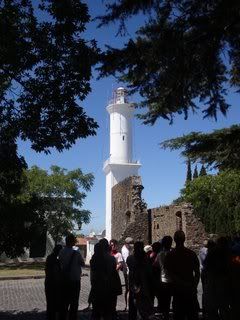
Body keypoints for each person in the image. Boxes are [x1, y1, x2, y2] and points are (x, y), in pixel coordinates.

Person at [165, 230, 200, 320]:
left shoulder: (170, 255)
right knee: (192, 316)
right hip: (190, 291)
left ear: (174, 240)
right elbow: (197, 273)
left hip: (178, 291)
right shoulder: (191, 254)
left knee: (178, 316)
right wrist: (194, 286)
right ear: (184, 239)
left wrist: (178, 282)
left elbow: (168, 273)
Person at [90, 239, 122, 320]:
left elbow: (93, 275)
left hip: (98, 288)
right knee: (109, 312)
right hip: (109, 288)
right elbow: (113, 274)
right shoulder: (111, 259)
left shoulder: (94, 259)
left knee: (96, 312)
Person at [202, 237, 233, 320]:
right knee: (224, 305)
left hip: (214, 279)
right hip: (224, 279)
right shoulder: (229, 252)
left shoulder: (213, 251)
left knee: (213, 304)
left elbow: (206, 265)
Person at [59, 234, 85, 320]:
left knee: (64, 302)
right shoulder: (76, 253)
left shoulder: (61, 252)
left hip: (64, 279)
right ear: (71, 242)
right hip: (75, 280)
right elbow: (82, 264)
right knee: (74, 302)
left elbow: (60, 263)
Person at [127, 241, 154, 320]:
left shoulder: (130, 258)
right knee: (142, 310)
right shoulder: (146, 259)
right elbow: (149, 273)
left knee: (133, 308)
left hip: (134, 285)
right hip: (143, 286)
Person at [156, 236, 173, 320]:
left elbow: (155, 265)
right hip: (173, 280)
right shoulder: (173, 253)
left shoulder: (160, 254)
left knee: (164, 299)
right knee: (170, 298)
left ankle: (165, 314)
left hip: (163, 279)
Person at [45, 244, 63, 320]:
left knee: (50, 302)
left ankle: (50, 316)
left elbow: (47, 270)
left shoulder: (49, 258)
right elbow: (56, 272)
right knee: (55, 302)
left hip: (48, 282)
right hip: (54, 283)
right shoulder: (57, 260)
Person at [121, 237, 134, 310]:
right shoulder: (125, 251)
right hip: (128, 272)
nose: (132, 245)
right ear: (127, 244)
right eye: (131, 244)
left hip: (127, 271)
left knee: (128, 289)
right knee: (129, 289)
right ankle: (128, 306)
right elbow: (127, 263)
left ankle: (128, 305)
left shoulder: (126, 248)